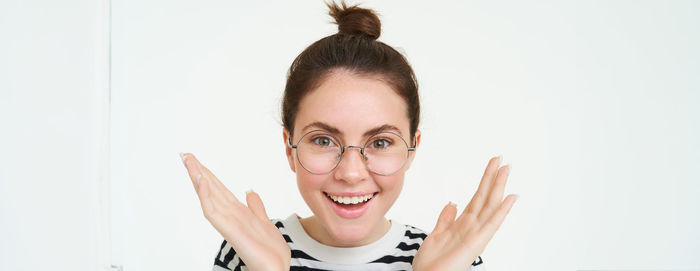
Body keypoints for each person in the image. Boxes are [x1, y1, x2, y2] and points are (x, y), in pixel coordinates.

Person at [180, 1, 518, 270]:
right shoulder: (246, 250)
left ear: (412, 149)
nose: (351, 173)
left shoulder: (452, 259)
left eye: (381, 142)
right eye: (323, 140)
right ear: (289, 147)